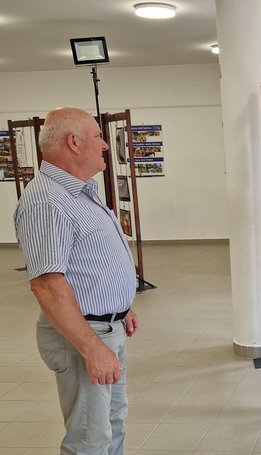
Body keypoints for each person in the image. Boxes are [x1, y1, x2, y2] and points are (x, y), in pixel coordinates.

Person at [14, 107, 140, 454]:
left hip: (104, 327)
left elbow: (87, 263)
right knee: (89, 437)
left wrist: (121, 306)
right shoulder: (47, 202)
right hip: (83, 335)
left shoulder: (80, 191)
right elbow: (47, 285)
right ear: (74, 142)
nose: (104, 144)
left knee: (111, 422)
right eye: (98, 136)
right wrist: (91, 348)